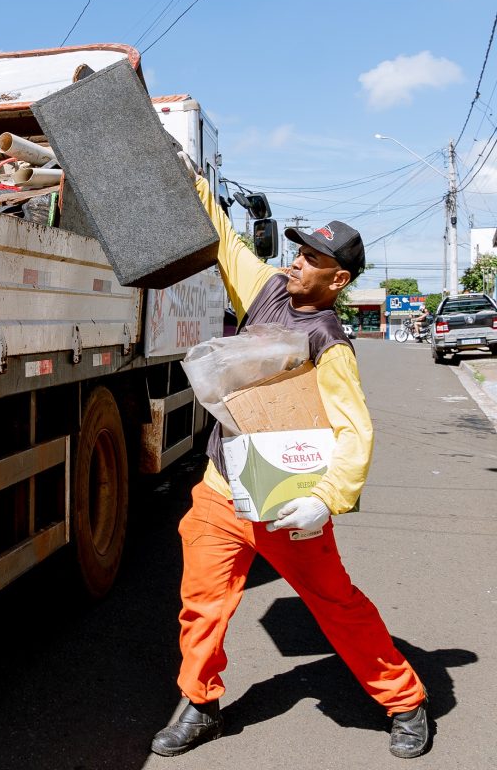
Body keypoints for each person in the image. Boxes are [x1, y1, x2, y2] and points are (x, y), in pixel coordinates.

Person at [150, 161, 430, 760]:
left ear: (338, 280)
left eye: (310, 259)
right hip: (223, 485)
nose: (295, 260)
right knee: (201, 603)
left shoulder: (330, 342)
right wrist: (190, 179)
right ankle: (200, 704)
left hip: (287, 501)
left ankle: (405, 701)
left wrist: (322, 501)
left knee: (337, 605)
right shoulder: (267, 290)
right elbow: (225, 240)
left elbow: (356, 432)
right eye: (298, 249)